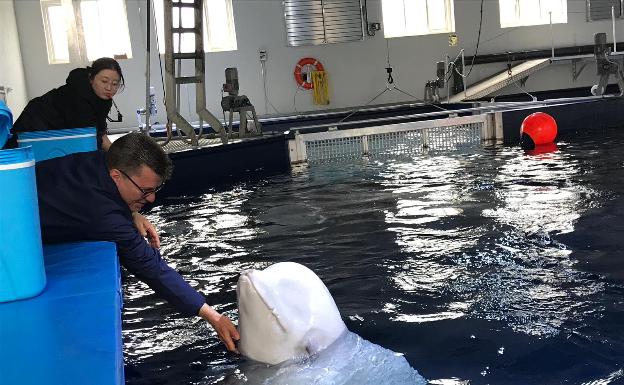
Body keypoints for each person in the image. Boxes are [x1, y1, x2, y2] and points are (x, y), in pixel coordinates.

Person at [34, 132, 240, 352]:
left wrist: (132, 212)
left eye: (154, 190)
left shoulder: (100, 161)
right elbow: (152, 268)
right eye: (146, 191)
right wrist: (212, 316)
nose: (151, 199)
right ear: (116, 176)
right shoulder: (103, 216)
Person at [8, 57, 124, 151]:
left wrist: (114, 151)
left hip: (54, 128)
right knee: (13, 155)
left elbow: (100, 131)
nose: (109, 88)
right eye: (104, 81)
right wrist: (117, 155)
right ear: (91, 78)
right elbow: (92, 137)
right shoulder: (79, 97)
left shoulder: (102, 97)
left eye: (115, 84)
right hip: (34, 122)